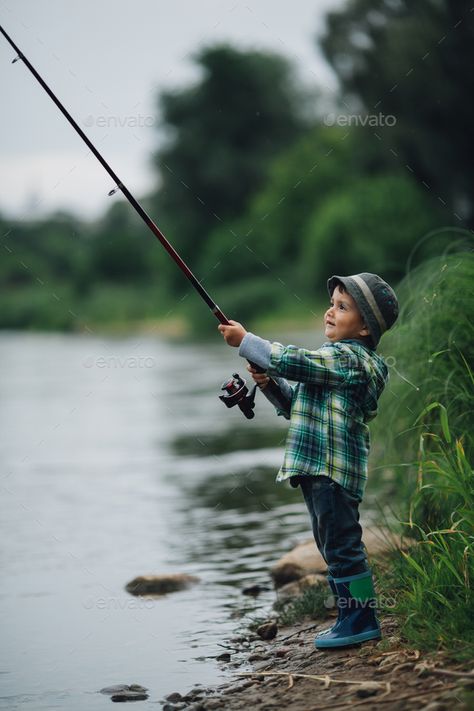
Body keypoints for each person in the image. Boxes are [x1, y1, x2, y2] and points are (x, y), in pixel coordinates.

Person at [218, 272, 399, 648]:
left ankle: (361, 618)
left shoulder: (352, 360)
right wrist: (268, 384)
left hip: (332, 471)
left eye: (343, 307)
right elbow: (294, 405)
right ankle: (351, 616)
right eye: (332, 304)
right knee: (331, 544)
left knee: (342, 546)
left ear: (365, 328)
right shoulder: (333, 363)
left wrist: (247, 342)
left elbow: (297, 362)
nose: (330, 312)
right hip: (318, 471)